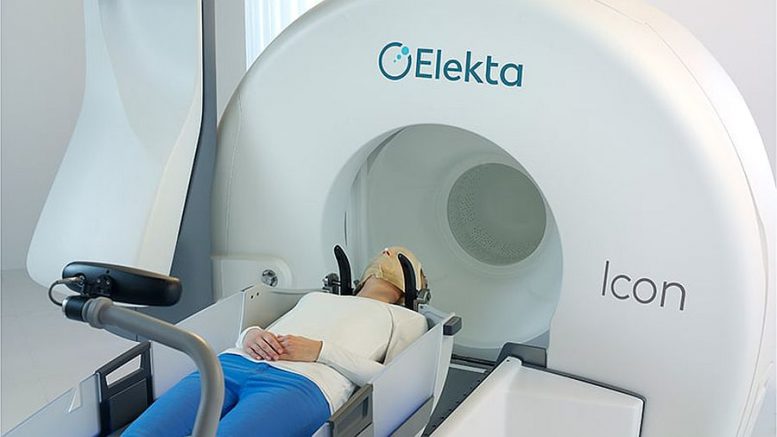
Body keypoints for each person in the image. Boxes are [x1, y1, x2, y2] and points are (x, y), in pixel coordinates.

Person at [123, 246, 428, 437]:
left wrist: (321, 351)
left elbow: (392, 383)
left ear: (414, 284)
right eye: (386, 250)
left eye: (400, 254)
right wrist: (250, 334)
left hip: (302, 385)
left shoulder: (407, 319)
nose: (388, 251)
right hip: (231, 364)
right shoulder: (317, 296)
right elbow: (271, 326)